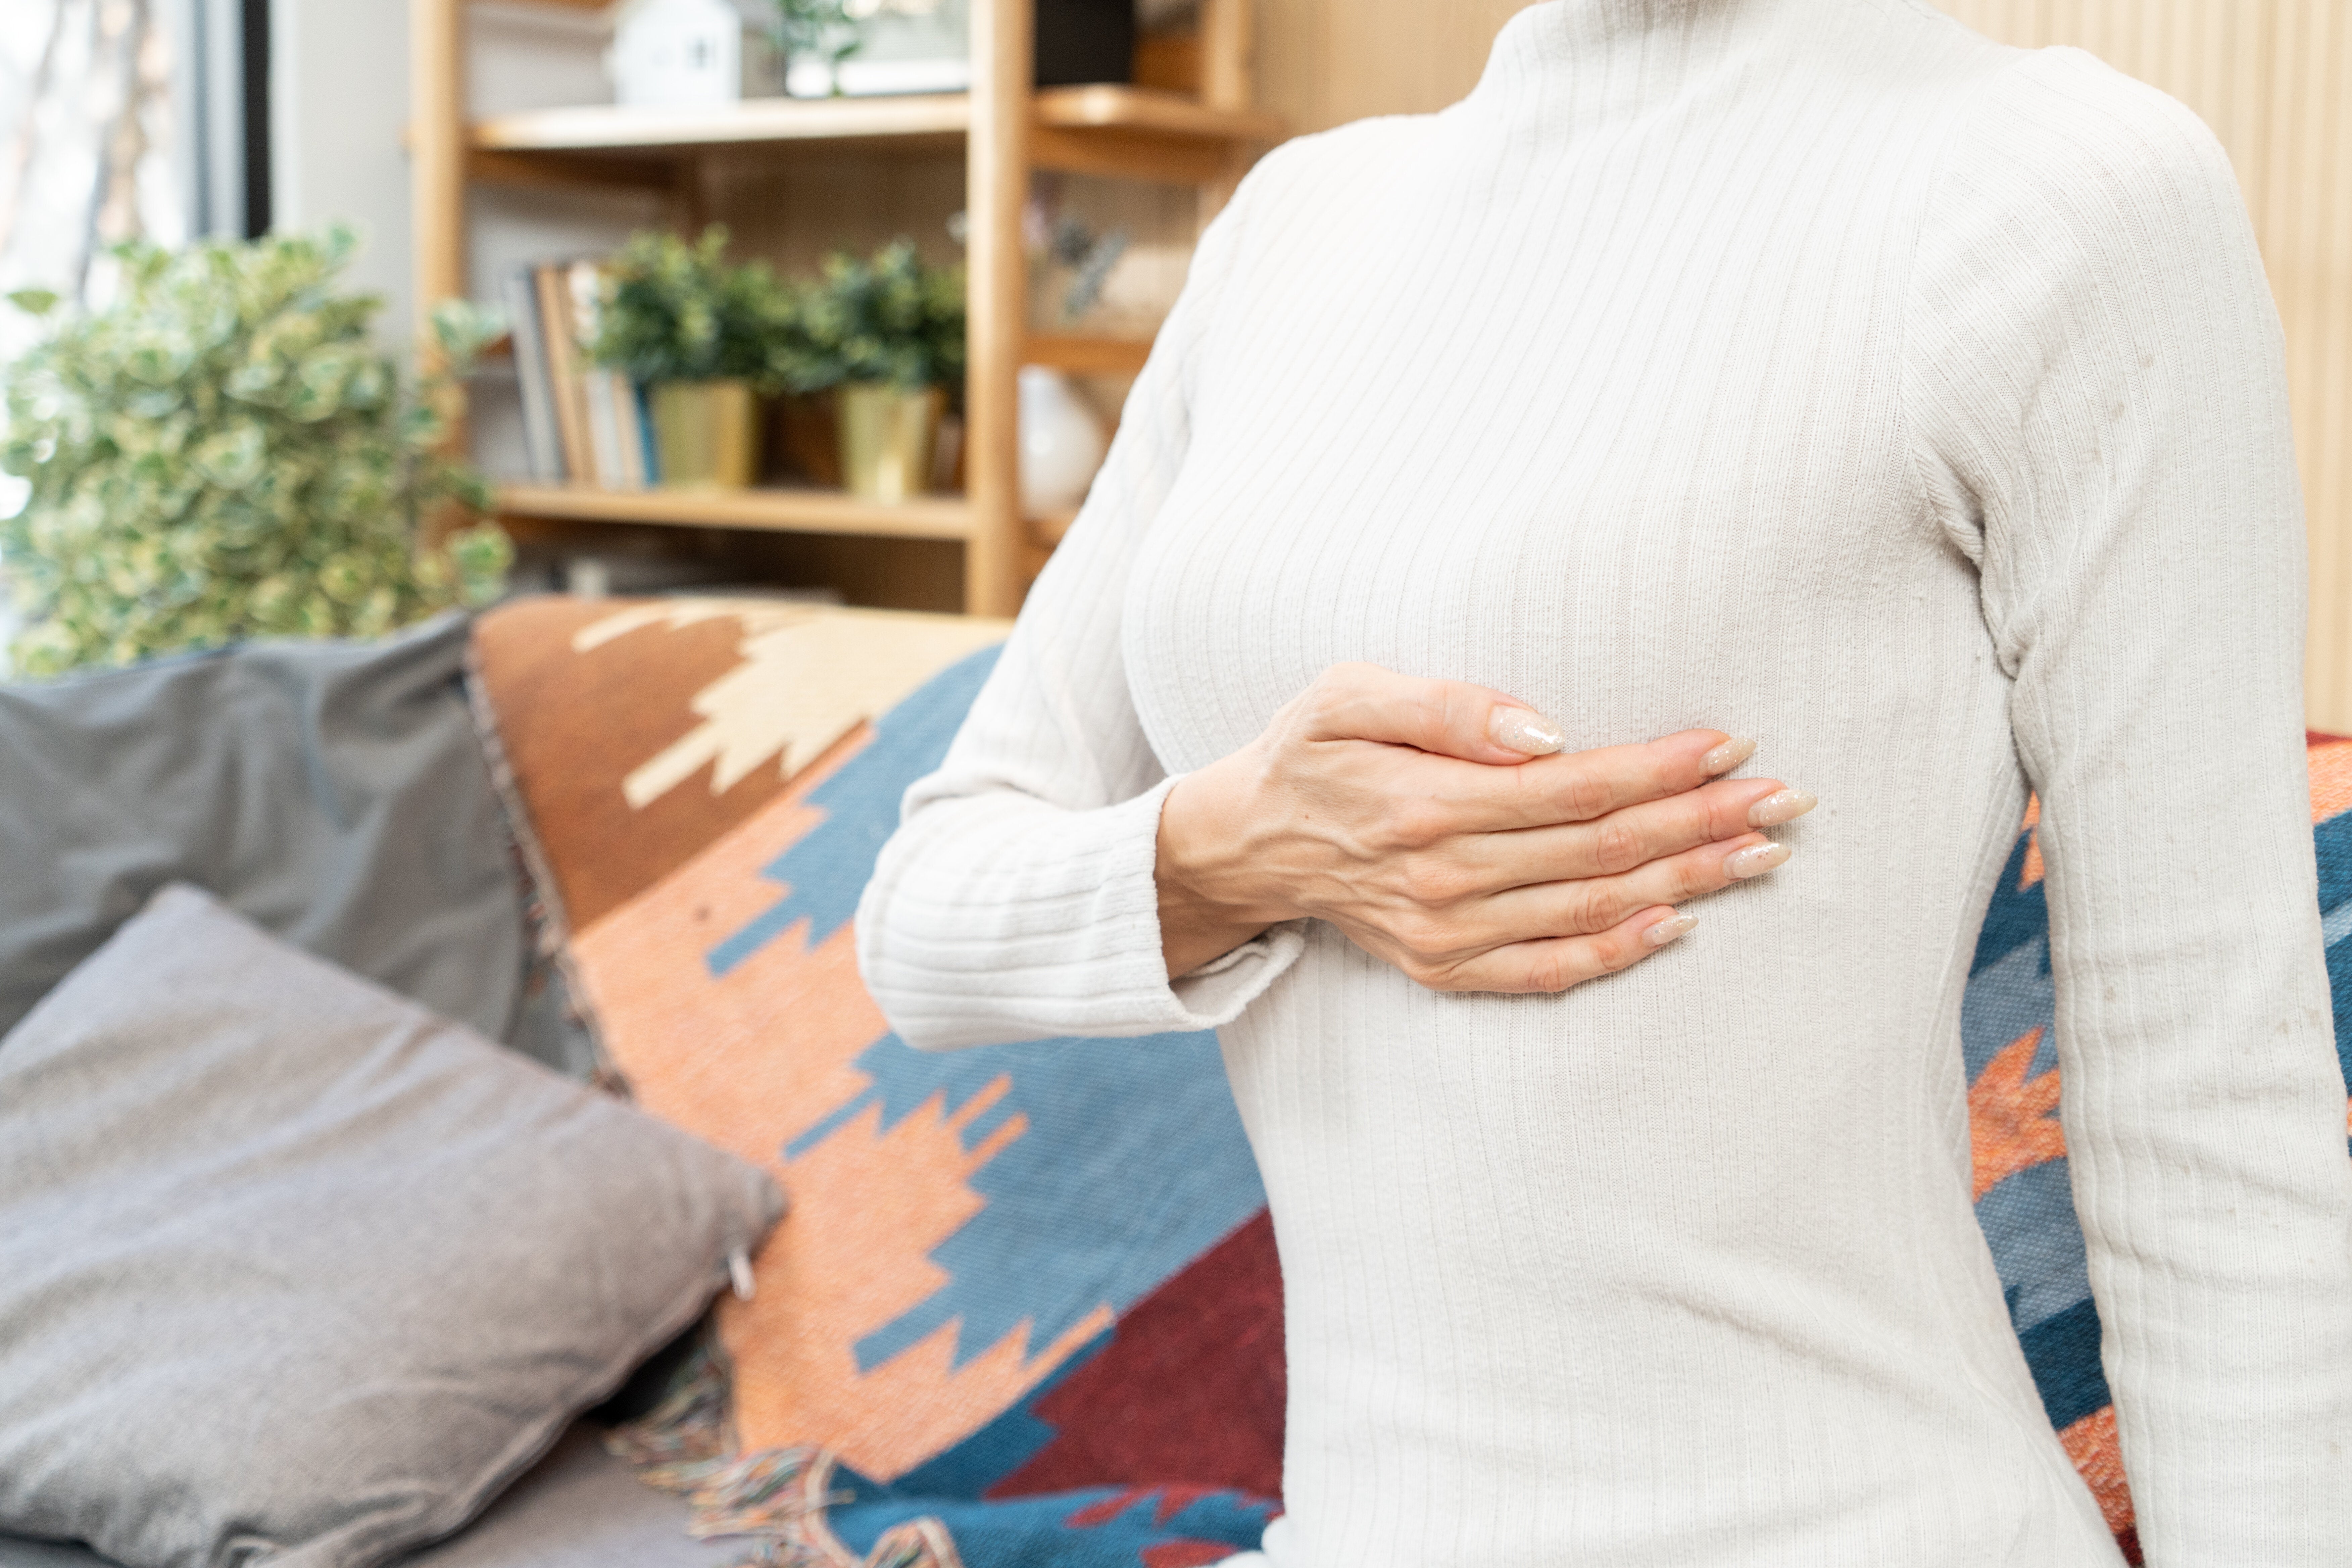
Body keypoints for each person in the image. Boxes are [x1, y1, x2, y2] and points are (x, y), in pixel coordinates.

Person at [854, 0, 2352, 1562]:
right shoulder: (1291, 227)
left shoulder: (2062, 188)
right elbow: (924, 923)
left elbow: (2214, 1102)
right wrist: (1249, 848)